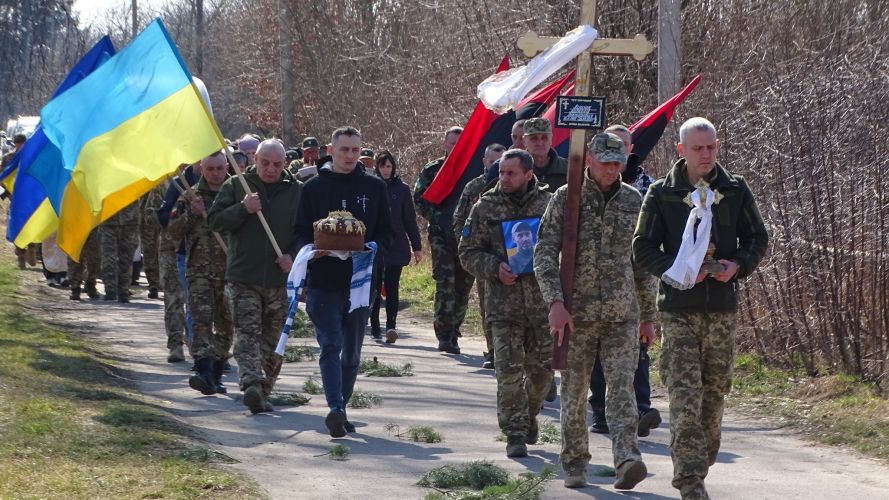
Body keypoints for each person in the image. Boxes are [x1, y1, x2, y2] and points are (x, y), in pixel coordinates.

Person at [633, 118, 768, 500]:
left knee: (714, 394)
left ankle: (700, 465)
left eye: (711, 147)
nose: (706, 155)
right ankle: (690, 481)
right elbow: (642, 247)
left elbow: (757, 237)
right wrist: (675, 272)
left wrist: (738, 264)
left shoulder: (735, 189)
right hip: (679, 309)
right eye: (697, 148)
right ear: (682, 151)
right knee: (684, 395)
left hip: (722, 309)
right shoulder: (661, 194)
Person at [535, 133, 657, 490]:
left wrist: (648, 315)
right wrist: (555, 303)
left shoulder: (634, 200)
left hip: (622, 314)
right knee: (573, 392)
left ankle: (627, 459)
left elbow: (643, 264)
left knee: (622, 390)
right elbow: (544, 252)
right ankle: (574, 462)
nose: (612, 168)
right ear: (589, 160)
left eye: (617, 162)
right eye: (605, 162)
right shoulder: (567, 198)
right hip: (576, 315)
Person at [293, 126, 394, 437]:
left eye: (356, 150)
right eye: (344, 150)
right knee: (330, 345)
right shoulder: (313, 189)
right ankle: (335, 407)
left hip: (361, 283)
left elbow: (387, 233)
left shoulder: (375, 188)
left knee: (351, 354)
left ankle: (342, 407)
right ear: (331, 150)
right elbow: (298, 233)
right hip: (323, 281)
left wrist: (371, 248)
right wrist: (312, 251)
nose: (350, 156)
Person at [459, 148, 553, 458]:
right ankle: (514, 434)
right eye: (501, 172)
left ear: (528, 174)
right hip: (503, 306)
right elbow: (467, 252)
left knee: (542, 375)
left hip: (543, 305)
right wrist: (494, 267)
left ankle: (528, 417)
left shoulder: (549, 203)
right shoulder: (485, 208)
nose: (504, 178)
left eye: (511, 173)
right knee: (508, 373)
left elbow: (568, 246)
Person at [208, 140, 302, 414]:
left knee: (274, 340)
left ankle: (262, 391)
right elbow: (215, 221)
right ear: (254, 161)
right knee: (247, 333)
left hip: (279, 279)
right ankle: (250, 381)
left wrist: (294, 256)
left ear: (284, 164)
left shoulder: (296, 192)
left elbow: (307, 232)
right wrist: (242, 208)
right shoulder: (237, 186)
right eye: (265, 163)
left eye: (277, 164)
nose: (271, 169)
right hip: (243, 275)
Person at [587, 124, 660, 436]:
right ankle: (601, 410)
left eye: (626, 148)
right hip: (588, 298)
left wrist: (649, 311)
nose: (618, 160)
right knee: (596, 361)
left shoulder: (642, 193)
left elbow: (645, 252)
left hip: (627, 295)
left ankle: (638, 410)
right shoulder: (576, 194)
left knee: (634, 354)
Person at [168, 151, 233, 396]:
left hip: (231, 270)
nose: (216, 173)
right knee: (202, 321)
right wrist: (191, 214)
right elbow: (173, 231)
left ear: (226, 167)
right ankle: (203, 370)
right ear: (201, 170)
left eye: (219, 168)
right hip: (199, 271)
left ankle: (217, 372)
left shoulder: (235, 194)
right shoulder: (190, 196)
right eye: (210, 169)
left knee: (227, 324)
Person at [413, 126, 473, 354]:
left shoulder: (472, 169)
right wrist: (439, 218)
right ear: (444, 143)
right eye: (452, 143)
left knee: (463, 285)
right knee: (445, 283)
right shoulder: (433, 170)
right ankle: (444, 334)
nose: (455, 147)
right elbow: (419, 199)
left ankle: (455, 330)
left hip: (467, 236)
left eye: (460, 143)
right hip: (441, 235)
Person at [454, 143, 505, 369]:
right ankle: (493, 351)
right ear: (485, 162)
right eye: (493, 162)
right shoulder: (474, 188)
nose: (497, 167)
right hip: (485, 259)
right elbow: (460, 220)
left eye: (500, 162)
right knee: (488, 306)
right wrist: (469, 248)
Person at [369, 150, 422, 343]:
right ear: (377, 167)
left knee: (392, 286)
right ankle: (375, 325)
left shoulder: (402, 189)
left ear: (393, 168)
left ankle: (391, 326)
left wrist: (417, 246)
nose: (385, 170)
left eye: (388, 166)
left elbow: (409, 220)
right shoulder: (371, 186)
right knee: (374, 287)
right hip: (374, 245)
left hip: (396, 244)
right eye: (382, 166)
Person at [158, 164, 202, 361]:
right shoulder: (179, 184)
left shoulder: (224, 183)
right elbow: (164, 216)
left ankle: (202, 346)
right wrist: (188, 211)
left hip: (203, 251)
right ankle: (175, 344)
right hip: (173, 248)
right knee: (175, 297)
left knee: (202, 302)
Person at [100, 200, 141, 302]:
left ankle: (123, 291)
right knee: (108, 257)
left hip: (130, 220)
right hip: (108, 219)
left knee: (127, 258)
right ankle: (110, 290)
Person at [139, 187, 162, 299]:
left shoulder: (171, 176)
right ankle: (153, 285)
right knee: (149, 251)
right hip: (147, 219)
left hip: (166, 217)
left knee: (167, 250)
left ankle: (166, 282)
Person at [67, 229, 101, 300]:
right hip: (75, 226)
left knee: (94, 257)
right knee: (75, 258)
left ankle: (91, 283)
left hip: (93, 225)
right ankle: (75, 288)